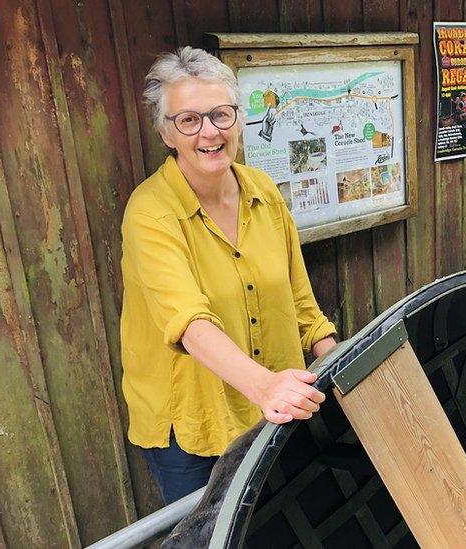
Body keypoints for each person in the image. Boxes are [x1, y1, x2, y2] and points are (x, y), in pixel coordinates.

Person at [120, 47, 337, 504]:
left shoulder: (263, 192)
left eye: (220, 114)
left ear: (239, 119)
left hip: (272, 412)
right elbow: (189, 324)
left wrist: (336, 360)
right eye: (189, 120)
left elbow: (301, 302)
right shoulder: (150, 213)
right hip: (195, 424)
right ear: (166, 132)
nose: (209, 132)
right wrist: (266, 386)